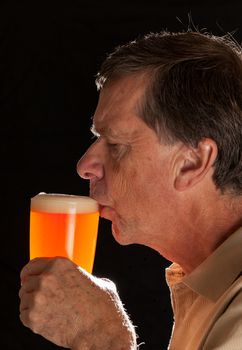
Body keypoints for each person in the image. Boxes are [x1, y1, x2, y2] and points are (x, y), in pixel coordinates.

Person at [19, 30, 242, 349]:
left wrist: (103, 339)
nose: (85, 165)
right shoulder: (206, 284)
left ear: (192, 163)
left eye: (116, 144)